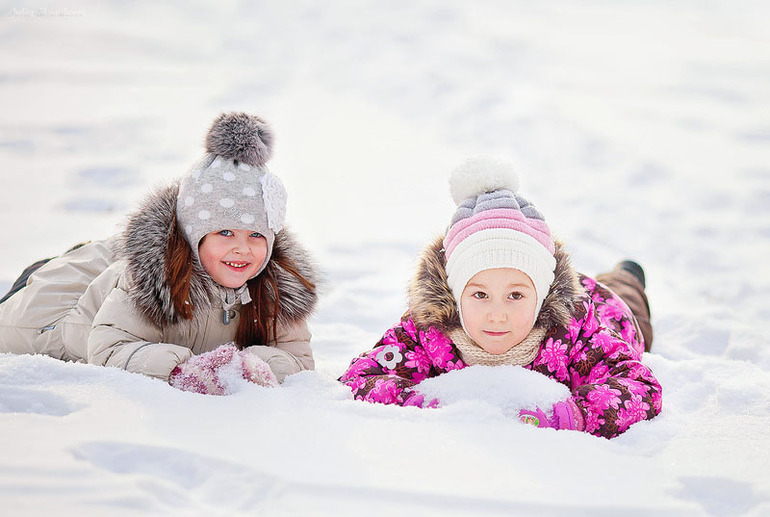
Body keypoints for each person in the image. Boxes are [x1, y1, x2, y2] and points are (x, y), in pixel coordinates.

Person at [339, 156, 661, 438]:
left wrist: (574, 415)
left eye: (515, 295)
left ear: (541, 296)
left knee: (626, 299)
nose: (497, 314)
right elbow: (361, 378)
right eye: (480, 294)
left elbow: (640, 387)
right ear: (455, 294)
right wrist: (418, 403)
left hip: (608, 308)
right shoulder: (428, 332)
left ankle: (626, 275)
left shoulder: (577, 332)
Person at [0, 112, 319, 394]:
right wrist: (181, 369)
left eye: (256, 235)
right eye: (225, 232)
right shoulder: (151, 279)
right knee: (23, 318)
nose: (243, 248)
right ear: (194, 235)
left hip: (108, 267)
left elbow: (298, 359)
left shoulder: (276, 286)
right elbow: (109, 348)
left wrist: (250, 365)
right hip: (51, 314)